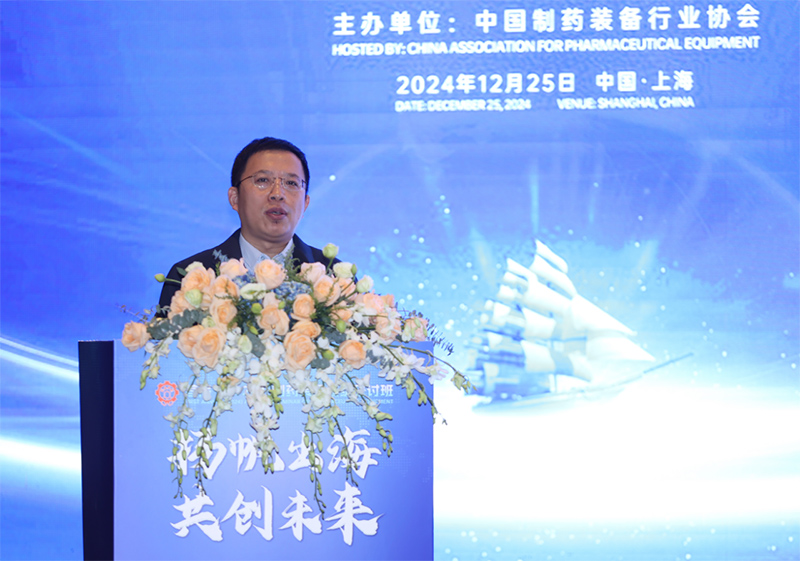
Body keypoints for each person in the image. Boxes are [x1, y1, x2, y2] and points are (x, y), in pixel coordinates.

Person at [158, 137, 334, 310]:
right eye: (263, 180)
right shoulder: (189, 278)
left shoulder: (334, 280)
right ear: (235, 198)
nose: (277, 194)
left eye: (291, 183)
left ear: (305, 204)